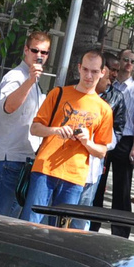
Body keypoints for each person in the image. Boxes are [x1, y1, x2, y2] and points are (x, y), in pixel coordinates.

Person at [22, 49, 114, 225]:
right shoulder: (58, 94)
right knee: (31, 224)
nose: (89, 75)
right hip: (45, 169)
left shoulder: (104, 109)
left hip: (75, 176)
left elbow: (102, 151)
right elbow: (35, 128)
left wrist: (87, 142)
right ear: (79, 68)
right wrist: (56, 130)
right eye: (85, 69)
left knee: (60, 232)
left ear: (103, 73)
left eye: (94, 71)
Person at [0, 29, 49, 217]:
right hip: (7, 160)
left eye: (44, 52)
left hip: (20, 160)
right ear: (26, 50)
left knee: (6, 224)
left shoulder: (33, 82)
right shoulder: (16, 77)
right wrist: (29, 81)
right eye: (35, 50)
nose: (39, 56)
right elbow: (9, 106)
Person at [105, 48, 134, 231]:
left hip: (125, 140)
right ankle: (91, 225)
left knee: (122, 187)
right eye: (126, 60)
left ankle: (121, 230)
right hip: (105, 137)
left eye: (132, 61)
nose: (129, 64)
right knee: (98, 183)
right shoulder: (109, 85)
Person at [86, 50, 128, 231]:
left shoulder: (116, 97)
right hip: (71, 159)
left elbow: (118, 130)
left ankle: (91, 232)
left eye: (117, 71)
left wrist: (101, 144)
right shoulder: (78, 89)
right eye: (112, 69)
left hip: (98, 156)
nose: (115, 74)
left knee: (93, 199)